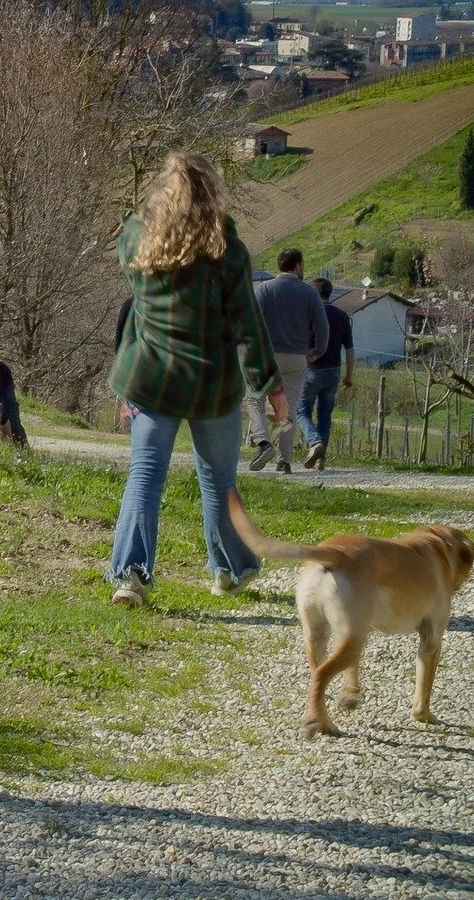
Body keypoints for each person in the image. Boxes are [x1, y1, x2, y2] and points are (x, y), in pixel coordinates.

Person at [108, 152, 282, 607]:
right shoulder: (229, 254)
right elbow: (249, 326)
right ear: (213, 196)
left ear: (162, 193)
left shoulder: (136, 241)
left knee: (145, 476)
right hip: (212, 384)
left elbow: (129, 228)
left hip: (153, 378)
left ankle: (131, 576)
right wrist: (271, 387)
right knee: (218, 480)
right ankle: (229, 570)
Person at [242, 248, 327, 474]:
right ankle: (285, 461)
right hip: (296, 358)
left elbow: (251, 322)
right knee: (287, 410)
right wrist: (316, 351)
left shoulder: (264, 289)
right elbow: (322, 327)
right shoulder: (309, 293)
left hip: (266, 356)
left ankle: (263, 442)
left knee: (254, 399)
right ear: (298, 266)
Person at [298, 277, 353, 469]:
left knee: (301, 411)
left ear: (313, 293)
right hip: (333, 371)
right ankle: (321, 459)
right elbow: (349, 348)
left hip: (311, 371)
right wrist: (349, 375)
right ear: (330, 293)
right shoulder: (342, 315)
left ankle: (315, 443)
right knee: (325, 414)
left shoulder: (309, 314)